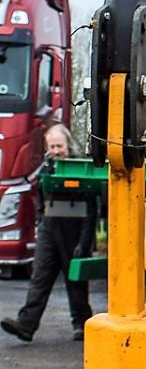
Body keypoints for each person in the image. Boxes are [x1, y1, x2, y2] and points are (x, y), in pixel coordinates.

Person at [1, 124, 95, 343]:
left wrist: (86, 241)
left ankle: (81, 324)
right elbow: (40, 199)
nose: (55, 150)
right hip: (49, 228)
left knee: (75, 280)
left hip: (74, 228)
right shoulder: (46, 168)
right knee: (39, 277)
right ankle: (26, 325)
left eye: (59, 146)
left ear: (68, 145)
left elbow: (92, 209)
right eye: (52, 146)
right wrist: (40, 223)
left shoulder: (81, 167)